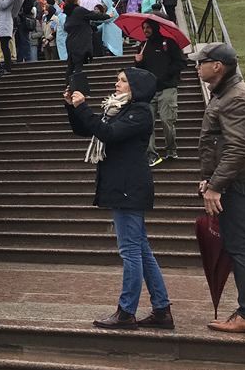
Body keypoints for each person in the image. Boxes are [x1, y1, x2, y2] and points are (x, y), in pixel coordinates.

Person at [65, 68, 173, 329]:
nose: (117, 83)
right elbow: (86, 129)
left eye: (123, 80)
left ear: (136, 86)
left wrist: (83, 107)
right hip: (123, 186)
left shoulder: (140, 113)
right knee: (142, 250)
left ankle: (126, 311)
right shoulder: (118, 109)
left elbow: (108, 134)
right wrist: (73, 106)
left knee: (130, 251)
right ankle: (161, 309)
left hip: (129, 188)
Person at [193, 43, 245, 334]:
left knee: (240, 247)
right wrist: (210, 178)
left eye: (202, 62)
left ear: (218, 66)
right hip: (230, 179)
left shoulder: (235, 97)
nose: (197, 66)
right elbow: (220, 143)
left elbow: (237, 148)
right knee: (237, 245)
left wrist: (216, 186)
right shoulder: (226, 93)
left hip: (236, 181)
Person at [135, 20, 186, 167]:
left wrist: (166, 74)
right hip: (150, 91)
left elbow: (181, 62)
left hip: (167, 88)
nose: (146, 30)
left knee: (166, 120)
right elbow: (140, 71)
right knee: (147, 123)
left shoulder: (168, 43)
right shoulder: (142, 46)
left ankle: (171, 148)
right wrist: (138, 62)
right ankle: (151, 153)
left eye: (148, 27)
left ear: (155, 28)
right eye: (143, 28)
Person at [63, 0, 111, 79]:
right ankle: (76, 87)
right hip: (80, 42)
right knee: (78, 66)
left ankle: (68, 86)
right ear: (75, 1)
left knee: (70, 66)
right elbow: (94, 15)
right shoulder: (79, 10)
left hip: (71, 42)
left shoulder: (69, 13)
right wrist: (107, 16)